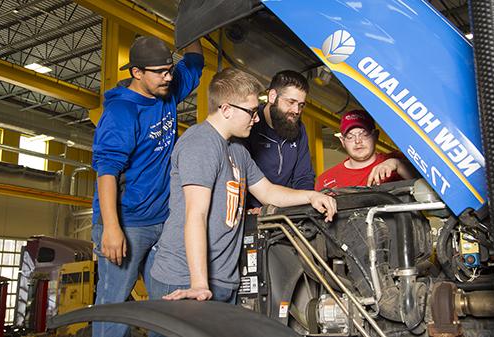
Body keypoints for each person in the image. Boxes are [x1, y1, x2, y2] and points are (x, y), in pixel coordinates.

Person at [149, 68, 336, 307]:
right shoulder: (201, 143)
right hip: (185, 279)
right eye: (251, 112)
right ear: (226, 109)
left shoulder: (238, 150)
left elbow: (268, 192)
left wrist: (311, 196)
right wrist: (198, 282)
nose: (256, 118)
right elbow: (196, 215)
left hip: (223, 279)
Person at [91, 36, 203, 337]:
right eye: (160, 72)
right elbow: (106, 171)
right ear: (136, 73)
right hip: (127, 223)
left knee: (168, 308)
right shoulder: (121, 112)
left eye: (169, 69)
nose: (169, 76)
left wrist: (191, 28)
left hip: (162, 222)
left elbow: (194, 62)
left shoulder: (167, 88)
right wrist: (112, 228)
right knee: (114, 309)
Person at [245, 70, 315, 208]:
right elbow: (241, 176)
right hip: (252, 212)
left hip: (287, 209)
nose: (296, 110)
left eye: (301, 105)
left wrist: (303, 207)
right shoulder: (248, 125)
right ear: (272, 96)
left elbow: (304, 177)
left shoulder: (299, 129)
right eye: (291, 102)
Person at [315, 110, 414, 190]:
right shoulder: (326, 180)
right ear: (342, 141)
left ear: (375, 135)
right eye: (350, 136)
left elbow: (427, 182)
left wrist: (398, 165)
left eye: (364, 134)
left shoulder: (398, 161)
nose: (358, 141)